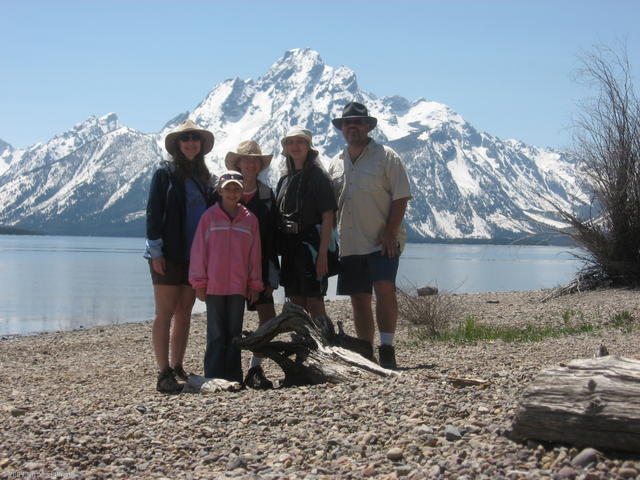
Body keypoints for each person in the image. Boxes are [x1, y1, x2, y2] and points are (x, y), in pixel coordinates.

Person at [332, 102, 412, 369]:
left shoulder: (387, 157)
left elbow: (401, 196)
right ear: (342, 128)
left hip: (382, 240)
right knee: (358, 296)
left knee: (385, 290)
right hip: (350, 242)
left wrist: (390, 233)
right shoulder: (336, 162)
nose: (352, 126)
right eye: (347, 122)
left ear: (368, 126)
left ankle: (387, 347)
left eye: (357, 121)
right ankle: (366, 349)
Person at [145, 119, 217, 393]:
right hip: (168, 254)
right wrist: (156, 252)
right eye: (185, 138)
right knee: (164, 313)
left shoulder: (204, 178)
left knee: (184, 313)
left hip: (195, 256)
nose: (190, 142)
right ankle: (163, 372)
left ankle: (177, 365)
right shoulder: (164, 173)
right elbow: (153, 213)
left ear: (200, 144)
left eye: (194, 138)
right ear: (177, 144)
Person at [189, 171, 263, 383]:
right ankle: (212, 377)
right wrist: (199, 282)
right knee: (215, 333)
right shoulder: (209, 217)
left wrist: (254, 283)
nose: (232, 193)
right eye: (228, 188)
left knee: (234, 333)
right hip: (214, 285)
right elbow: (198, 252)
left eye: (236, 189)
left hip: (238, 286)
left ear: (242, 192)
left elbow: (254, 255)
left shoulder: (250, 220)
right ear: (220, 191)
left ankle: (233, 377)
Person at [224, 140, 279, 389]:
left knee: (268, 319)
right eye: (246, 159)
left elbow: (273, 236)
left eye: (255, 160)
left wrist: (271, 275)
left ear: (259, 165)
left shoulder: (268, 194)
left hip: (262, 265)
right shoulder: (225, 194)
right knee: (230, 318)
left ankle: (255, 368)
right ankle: (227, 368)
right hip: (230, 268)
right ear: (238, 163)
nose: (250, 164)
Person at [275, 127, 338, 320]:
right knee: (295, 301)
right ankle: (302, 345)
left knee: (315, 301)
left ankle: (324, 345)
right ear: (285, 148)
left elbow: (328, 216)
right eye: (290, 142)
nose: (295, 146)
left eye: (300, 142)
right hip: (289, 248)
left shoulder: (318, 176)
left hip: (312, 247)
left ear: (308, 147)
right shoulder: (284, 179)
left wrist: (322, 256)